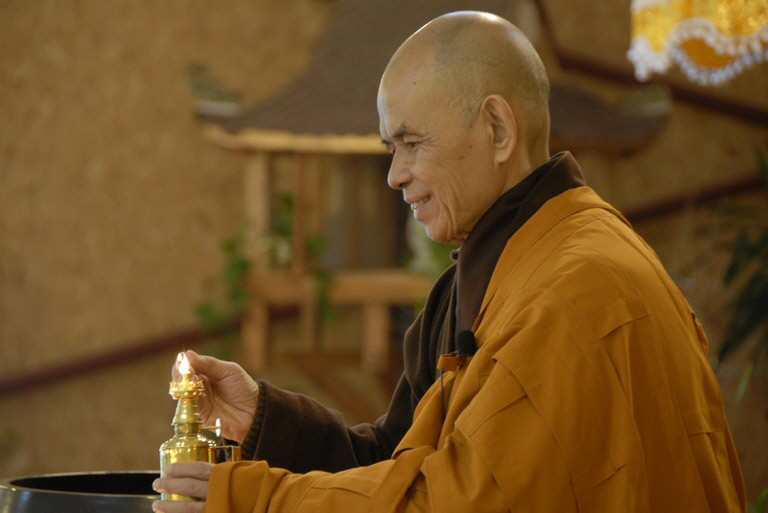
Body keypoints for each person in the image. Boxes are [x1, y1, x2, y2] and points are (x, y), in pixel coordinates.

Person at [152, 11, 746, 513]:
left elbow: (458, 503)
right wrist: (264, 418)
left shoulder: (575, 288)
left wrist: (255, 500)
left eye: (412, 143)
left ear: (498, 129)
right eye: (391, 149)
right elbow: (395, 465)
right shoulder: (489, 276)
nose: (394, 175)